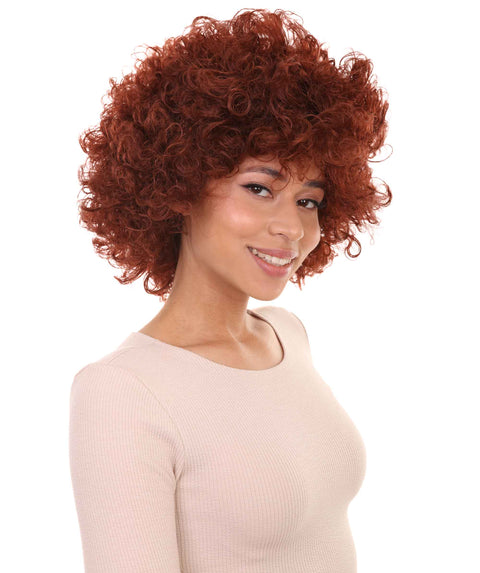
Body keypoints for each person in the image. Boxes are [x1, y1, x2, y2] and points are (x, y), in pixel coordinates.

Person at [69, 8, 392, 572]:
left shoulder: (287, 336)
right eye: (259, 188)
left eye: (308, 200)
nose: (292, 228)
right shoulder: (123, 390)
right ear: (179, 185)